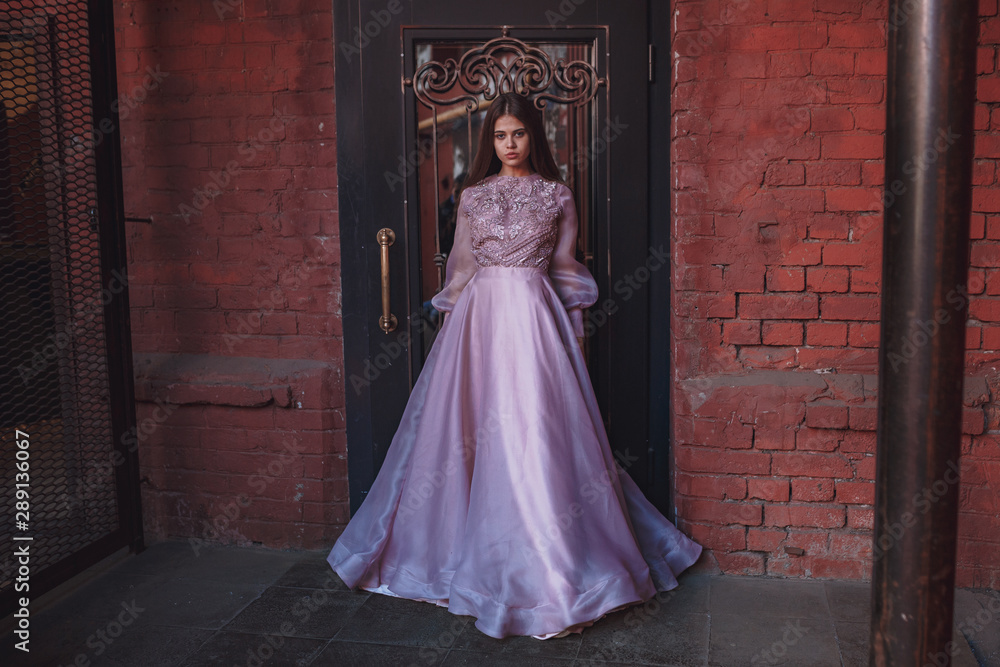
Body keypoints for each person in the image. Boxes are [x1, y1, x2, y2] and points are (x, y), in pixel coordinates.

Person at [327, 92, 702, 640]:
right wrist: (450, 328)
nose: (509, 144)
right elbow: (460, 269)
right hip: (477, 326)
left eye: (519, 134)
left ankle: (552, 566)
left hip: (533, 321)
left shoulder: (557, 196)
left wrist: (572, 336)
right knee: (467, 432)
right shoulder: (473, 197)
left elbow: (567, 270)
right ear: (490, 140)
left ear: (534, 137)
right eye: (500, 135)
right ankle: (462, 552)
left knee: (535, 433)